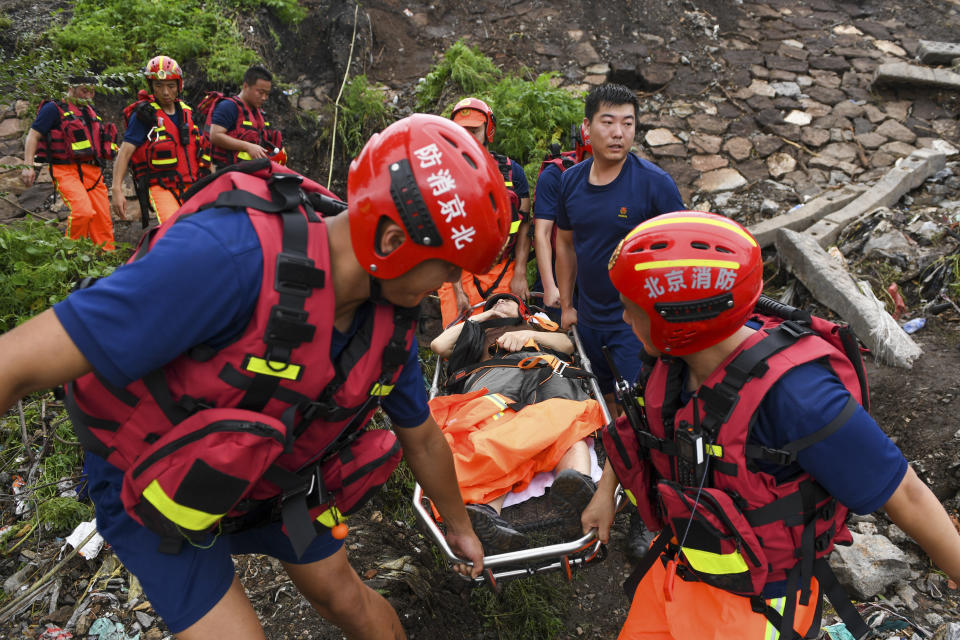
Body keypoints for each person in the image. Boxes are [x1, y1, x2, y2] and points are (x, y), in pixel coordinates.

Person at [0, 114, 510, 639]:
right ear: (391, 241)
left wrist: (462, 529)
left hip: (273, 475)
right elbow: (12, 364)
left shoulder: (386, 323)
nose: (451, 281)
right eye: (448, 266)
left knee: (346, 597)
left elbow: (421, 436)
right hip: (154, 477)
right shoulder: (228, 257)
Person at [582, 211, 960, 640]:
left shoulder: (799, 397)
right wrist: (604, 492)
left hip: (757, 608)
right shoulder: (670, 361)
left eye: (632, 311)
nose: (626, 322)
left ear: (680, 321)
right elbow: (647, 428)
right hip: (675, 567)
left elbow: (906, 494)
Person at [430, 293, 598, 553]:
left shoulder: (537, 324)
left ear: (523, 309)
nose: (497, 303)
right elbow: (439, 346)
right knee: (494, 428)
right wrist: (483, 317)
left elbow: (567, 346)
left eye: (505, 301)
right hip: (494, 373)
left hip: (546, 368)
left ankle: (577, 485)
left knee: (568, 417)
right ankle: (486, 513)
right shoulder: (476, 330)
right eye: (493, 303)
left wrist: (529, 335)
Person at [555, 83, 684, 401]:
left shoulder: (655, 184)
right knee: (601, 400)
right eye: (608, 122)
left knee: (638, 403)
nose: (618, 133)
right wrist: (568, 306)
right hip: (587, 320)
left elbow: (680, 250)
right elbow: (566, 243)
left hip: (634, 324)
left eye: (628, 123)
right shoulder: (571, 181)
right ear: (587, 127)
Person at [437, 97, 531, 327]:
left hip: (502, 266)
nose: (467, 137)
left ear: (488, 130)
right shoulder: (441, 176)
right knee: (458, 341)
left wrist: (520, 273)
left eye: (474, 130)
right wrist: (458, 290)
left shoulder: (512, 173)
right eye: (461, 131)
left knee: (507, 333)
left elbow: (525, 224)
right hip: (457, 271)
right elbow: (445, 236)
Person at [21, 78, 118, 250]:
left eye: (91, 91)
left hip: (93, 173)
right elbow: (33, 136)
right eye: (83, 90)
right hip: (65, 170)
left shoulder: (91, 112)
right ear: (70, 89)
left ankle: (106, 266)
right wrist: (28, 166)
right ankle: (70, 254)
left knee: (103, 222)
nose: (87, 96)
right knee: (83, 212)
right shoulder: (53, 108)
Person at [111, 56, 209, 225]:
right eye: (158, 86)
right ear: (151, 87)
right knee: (172, 230)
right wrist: (116, 189)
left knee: (197, 232)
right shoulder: (144, 115)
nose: (165, 92)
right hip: (161, 186)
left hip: (192, 185)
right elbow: (125, 151)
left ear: (179, 85)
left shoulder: (188, 113)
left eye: (170, 86)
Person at [533, 122, 592, 320]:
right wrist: (550, 285)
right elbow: (542, 233)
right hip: (560, 264)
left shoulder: (622, 174)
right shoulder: (555, 176)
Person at [207, 65, 285, 168]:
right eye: (260, 92)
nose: (264, 98)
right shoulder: (228, 106)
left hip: (252, 173)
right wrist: (247, 146)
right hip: (228, 173)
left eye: (267, 94)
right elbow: (215, 135)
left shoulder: (259, 113)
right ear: (245, 86)